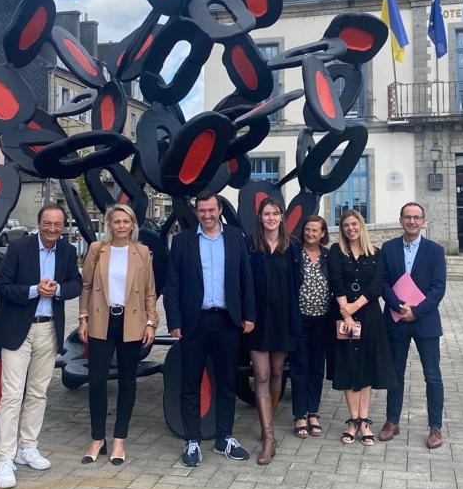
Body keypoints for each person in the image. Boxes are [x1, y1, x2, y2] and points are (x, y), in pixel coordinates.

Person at [0, 205, 82, 489]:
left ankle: (27, 447)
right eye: (47, 223)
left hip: (49, 329)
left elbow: (76, 284)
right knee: (11, 395)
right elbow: (1, 287)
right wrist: (34, 290)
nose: (52, 229)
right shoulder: (18, 248)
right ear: (39, 222)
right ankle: (4, 458)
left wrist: (57, 290)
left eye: (57, 224)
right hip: (20, 328)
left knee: (38, 392)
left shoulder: (66, 252)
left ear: (63, 226)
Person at [164, 191, 255, 467]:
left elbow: (246, 279)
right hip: (195, 321)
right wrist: (174, 321)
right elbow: (173, 284)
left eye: (211, 210)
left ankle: (224, 437)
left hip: (228, 321)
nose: (206, 215)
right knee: (191, 383)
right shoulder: (182, 241)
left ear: (219, 210)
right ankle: (192, 440)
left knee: (227, 382)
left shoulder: (235, 238)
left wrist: (248, 315)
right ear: (197, 211)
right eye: (202, 211)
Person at [78, 204, 158, 465]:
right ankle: (97, 438)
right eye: (117, 221)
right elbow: (87, 286)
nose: (121, 226)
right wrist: (83, 318)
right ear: (109, 225)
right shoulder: (97, 250)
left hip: (131, 321)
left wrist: (151, 322)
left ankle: (120, 440)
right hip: (102, 319)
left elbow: (149, 291)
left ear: (133, 225)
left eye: (126, 221)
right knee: (98, 380)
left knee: (127, 381)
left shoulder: (142, 252)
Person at [379, 202, 447, 449]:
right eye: (408, 217)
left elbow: (438, 288)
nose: (412, 221)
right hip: (396, 320)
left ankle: (435, 427)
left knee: (433, 376)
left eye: (416, 217)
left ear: (423, 222)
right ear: (400, 220)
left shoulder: (435, 251)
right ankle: (392, 421)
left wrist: (416, 312)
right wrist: (398, 307)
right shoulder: (388, 248)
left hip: (425, 322)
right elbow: (384, 283)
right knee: (394, 373)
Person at [327, 209, 396, 446]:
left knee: (365, 365)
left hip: (368, 315)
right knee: (348, 365)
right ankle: (353, 421)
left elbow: (377, 285)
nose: (350, 228)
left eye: (354, 224)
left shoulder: (375, 253)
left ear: (361, 226)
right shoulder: (337, 252)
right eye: (345, 225)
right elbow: (335, 280)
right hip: (342, 314)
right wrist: (346, 312)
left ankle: (364, 421)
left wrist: (353, 309)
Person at [246, 197, 301, 464]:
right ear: (260, 218)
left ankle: (268, 420)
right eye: (266, 214)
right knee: (262, 373)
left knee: (278, 371)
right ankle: (268, 437)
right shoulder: (251, 247)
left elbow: (298, 283)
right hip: (257, 321)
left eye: (275, 213)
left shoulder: (292, 248)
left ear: (282, 217)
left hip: (282, 320)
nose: (270, 218)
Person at [289, 214, 332, 439]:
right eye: (307, 230)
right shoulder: (295, 254)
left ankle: (313, 412)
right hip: (300, 320)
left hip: (322, 321)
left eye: (315, 230)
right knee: (300, 368)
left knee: (317, 368)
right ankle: (299, 415)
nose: (310, 234)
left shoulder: (328, 255)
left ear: (323, 234)